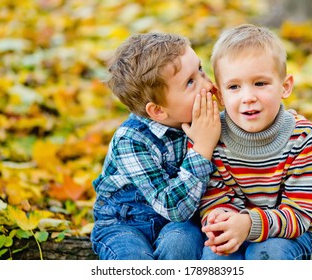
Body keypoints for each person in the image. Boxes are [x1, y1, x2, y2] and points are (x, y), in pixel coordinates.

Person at [91, 32, 221, 260]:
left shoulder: (205, 119)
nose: (206, 83)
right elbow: (173, 206)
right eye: (191, 82)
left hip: (180, 222)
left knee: (182, 244)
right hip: (125, 222)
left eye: (200, 69)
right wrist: (201, 148)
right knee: (133, 259)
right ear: (159, 111)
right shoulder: (131, 141)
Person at [200, 24, 312, 260]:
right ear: (221, 95)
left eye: (260, 83)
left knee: (267, 254)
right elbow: (212, 197)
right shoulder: (213, 133)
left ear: (285, 86)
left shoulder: (301, 136)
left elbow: (300, 213)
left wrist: (248, 224)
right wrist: (219, 221)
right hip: (232, 227)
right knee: (215, 259)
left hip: (288, 235)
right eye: (234, 86)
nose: (248, 97)